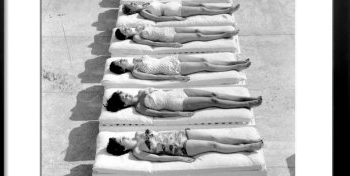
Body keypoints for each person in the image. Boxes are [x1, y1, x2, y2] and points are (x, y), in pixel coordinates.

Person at [106, 129, 264, 163]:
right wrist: (180, 159)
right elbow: (160, 159)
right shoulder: (138, 152)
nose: (123, 137)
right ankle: (246, 147)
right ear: (123, 149)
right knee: (213, 144)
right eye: (121, 141)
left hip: (181, 134)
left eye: (120, 137)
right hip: (181, 147)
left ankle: (246, 141)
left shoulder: (138, 134)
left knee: (213, 136)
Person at [104, 87, 262, 115]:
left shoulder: (140, 92)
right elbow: (160, 115)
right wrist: (179, 114)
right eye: (123, 96)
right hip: (177, 104)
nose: (126, 94)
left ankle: (248, 98)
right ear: (123, 104)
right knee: (213, 100)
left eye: (123, 93)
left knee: (214, 93)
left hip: (179, 92)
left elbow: (163, 90)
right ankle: (245, 104)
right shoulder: (139, 107)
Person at [109, 54, 250, 81]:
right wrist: (176, 77)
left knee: (204, 60)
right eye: (120, 62)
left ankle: (236, 63)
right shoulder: (136, 72)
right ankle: (236, 67)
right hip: (171, 69)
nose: (122, 59)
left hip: (171, 58)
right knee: (205, 66)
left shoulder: (136, 59)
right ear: (122, 69)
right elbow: (156, 77)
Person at [114, 23, 239, 47]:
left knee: (196, 30)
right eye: (125, 31)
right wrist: (172, 45)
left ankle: (223, 32)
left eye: (125, 28)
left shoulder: (137, 28)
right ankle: (224, 35)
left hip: (170, 29)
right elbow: (153, 43)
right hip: (169, 37)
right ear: (125, 36)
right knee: (198, 36)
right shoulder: (136, 38)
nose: (126, 29)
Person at [121, 1, 240, 22]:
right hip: (173, 11)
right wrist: (174, 18)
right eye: (130, 5)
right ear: (132, 11)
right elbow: (158, 19)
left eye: (131, 3)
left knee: (201, 5)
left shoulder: (143, 4)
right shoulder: (143, 12)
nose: (132, 3)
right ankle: (228, 11)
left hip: (174, 4)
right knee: (202, 10)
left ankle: (225, 8)